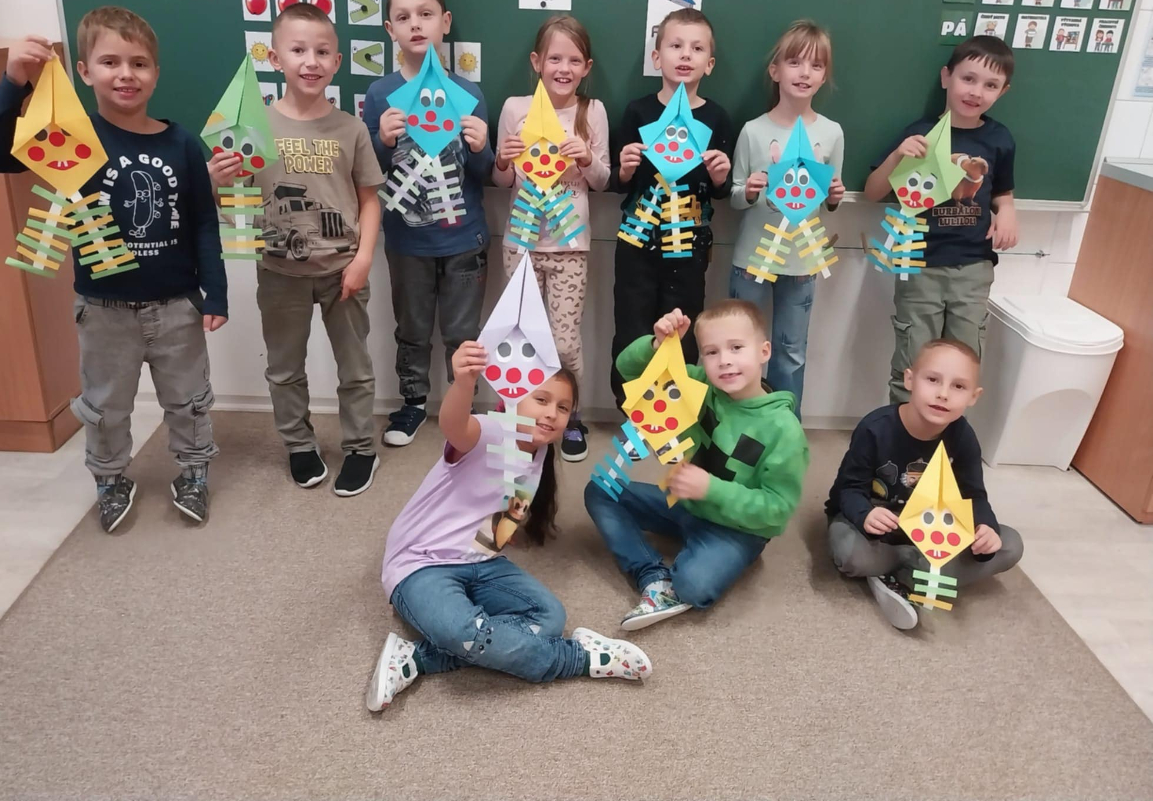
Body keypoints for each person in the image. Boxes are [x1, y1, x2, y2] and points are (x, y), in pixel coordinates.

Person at [0, 7, 226, 532]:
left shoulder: (180, 142)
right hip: (104, 309)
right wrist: (14, 82)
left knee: (189, 400)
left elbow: (204, 221)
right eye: (110, 62)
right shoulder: (69, 135)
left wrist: (215, 293)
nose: (126, 74)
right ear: (85, 72)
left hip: (177, 305)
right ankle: (110, 480)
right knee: (105, 405)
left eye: (139, 63)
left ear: (156, 72)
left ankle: (193, 472)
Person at [368, 342, 650, 712]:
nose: (551, 413)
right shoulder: (490, 430)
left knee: (549, 618)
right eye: (541, 400)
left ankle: (418, 657)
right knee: (460, 631)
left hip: (480, 560)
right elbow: (455, 426)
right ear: (514, 400)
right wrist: (464, 382)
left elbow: (507, 495)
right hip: (421, 563)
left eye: (563, 407)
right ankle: (579, 658)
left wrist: (501, 532)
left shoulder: (541, 449)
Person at [208, 2, 384, 496]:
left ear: (338, 61)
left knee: (355, 368)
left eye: (322, 52)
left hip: (343, 270)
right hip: (278, 271)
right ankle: (299, 444)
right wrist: (215, 180)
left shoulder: (352, 128)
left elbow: (370, 200)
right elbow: (232, 204)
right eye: (299, 50)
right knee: (285, 367)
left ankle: (361, 448)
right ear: (274, 57)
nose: (311, 61)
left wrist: (363, 259)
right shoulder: (253, 126)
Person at [584, 301, 808, 630]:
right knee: (601, 490)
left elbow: (777, 510)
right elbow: (630, 372)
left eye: (736, 348)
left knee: (693, 585)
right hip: (684, 503)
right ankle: (652, 575)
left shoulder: (784, 430)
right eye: (711, 352)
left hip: (738, 529)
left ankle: (717, 560)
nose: (724, 360)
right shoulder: (700, 385)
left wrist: (711, 489)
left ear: (764, 351)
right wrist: (657, 345)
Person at [363, 0, 494, 449]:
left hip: (464, 239)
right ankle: (413, 402)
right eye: (403, 17)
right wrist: (382, 140)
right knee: (412, 329)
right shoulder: (380, 94)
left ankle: (461, 406)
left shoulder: (469, 93)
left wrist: (481, 147)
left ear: (445, 22)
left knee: (462, 334)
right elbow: (369, 172)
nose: (415, 24)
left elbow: (483, 172)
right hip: (407, 240)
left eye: (425, 14)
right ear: (390, 29)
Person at [826, 339, 1024, 630]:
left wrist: (986, 529)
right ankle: (918, 573)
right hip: (876, 529)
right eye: (932, 380)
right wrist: (865, 514)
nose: (943, 394)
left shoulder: (963, 437)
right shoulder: (875, 428)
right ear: (910, 380)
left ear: (973, 396)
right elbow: (847, 489)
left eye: (958, 386)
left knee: (1010, 545)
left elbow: (973, 495)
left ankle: (903, 574)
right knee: (850, 554)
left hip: (931, 531)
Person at [864, 35, 1019, 404]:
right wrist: (898, 156)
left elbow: (1003, 192)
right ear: (946, 77)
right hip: (919, 265)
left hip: (973, 268)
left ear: (1003, 91)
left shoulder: (999, 139)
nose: (976, 92)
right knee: (914, 362)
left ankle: (946, 436)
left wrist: (1008, 212)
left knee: (963, 364)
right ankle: (901, 431)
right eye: (968, 78)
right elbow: (872, 192)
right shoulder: (918, 135)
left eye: (990, 85)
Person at [493, 16, 609, 461]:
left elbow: (602, 181)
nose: (564, 68)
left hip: (569, 247)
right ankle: (519, 414)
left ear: (587, 67)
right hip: (521, 243)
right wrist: (502, 162)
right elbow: (501, 181)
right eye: (555, 58)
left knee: (563, 341)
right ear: (536, 62)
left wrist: (588, 160)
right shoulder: (514, 108)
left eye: (574, 60)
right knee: (520, 337)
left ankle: (570, 415)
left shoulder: (592, 112)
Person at [609, 8, 734, 408]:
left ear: (709, 64)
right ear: (656, 56)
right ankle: (630, 407)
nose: (685, 55)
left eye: (697, 49)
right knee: (632, 325)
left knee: (683, 326)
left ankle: (675, 410)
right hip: (637, 242)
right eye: (675, 45)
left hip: (689, 246)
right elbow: (617, 182)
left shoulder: (716, 118)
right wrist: (624, 169)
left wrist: (721, 176)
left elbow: (721, 191)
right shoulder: (638, 112)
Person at [729, 20, 845, 415]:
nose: (805, 73)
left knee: (791, 351)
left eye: (816, 65)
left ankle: (786, 427)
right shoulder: (753, 131)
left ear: (824, 76)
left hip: (802, 260)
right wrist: (748, 190)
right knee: (740, 346)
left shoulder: (832, 133)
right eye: (795, 62)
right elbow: (735, 196)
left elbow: (829, 199)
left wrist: (835, 197)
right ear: (775, 70)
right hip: (752, 258)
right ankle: (738, 421)